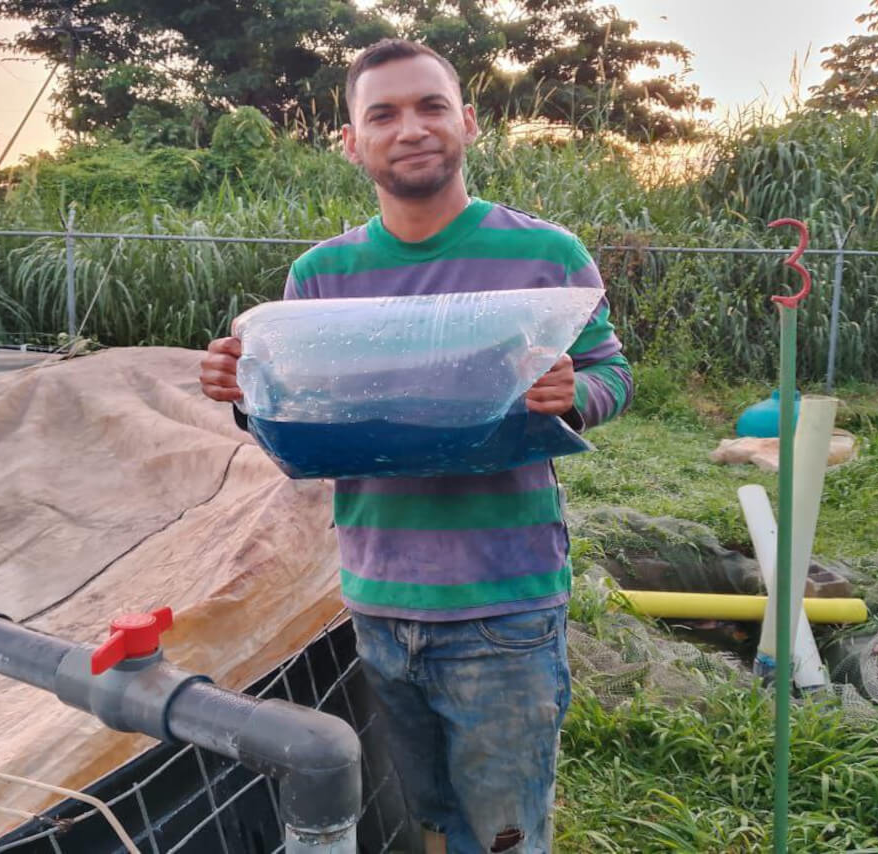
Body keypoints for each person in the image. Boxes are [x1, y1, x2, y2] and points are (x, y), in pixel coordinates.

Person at [199, 38, 632, 854]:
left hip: (505, 603)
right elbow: (301, 424)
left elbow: (611, 372)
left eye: (432, 106)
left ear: (467, 122)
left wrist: (577, 392)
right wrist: (243, 395)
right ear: (352, 141)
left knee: (503, 830)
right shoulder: (320, 278)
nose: (412, 128)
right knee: (424, 813)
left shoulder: (546, 257)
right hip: (374, 596)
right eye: (383, 114)